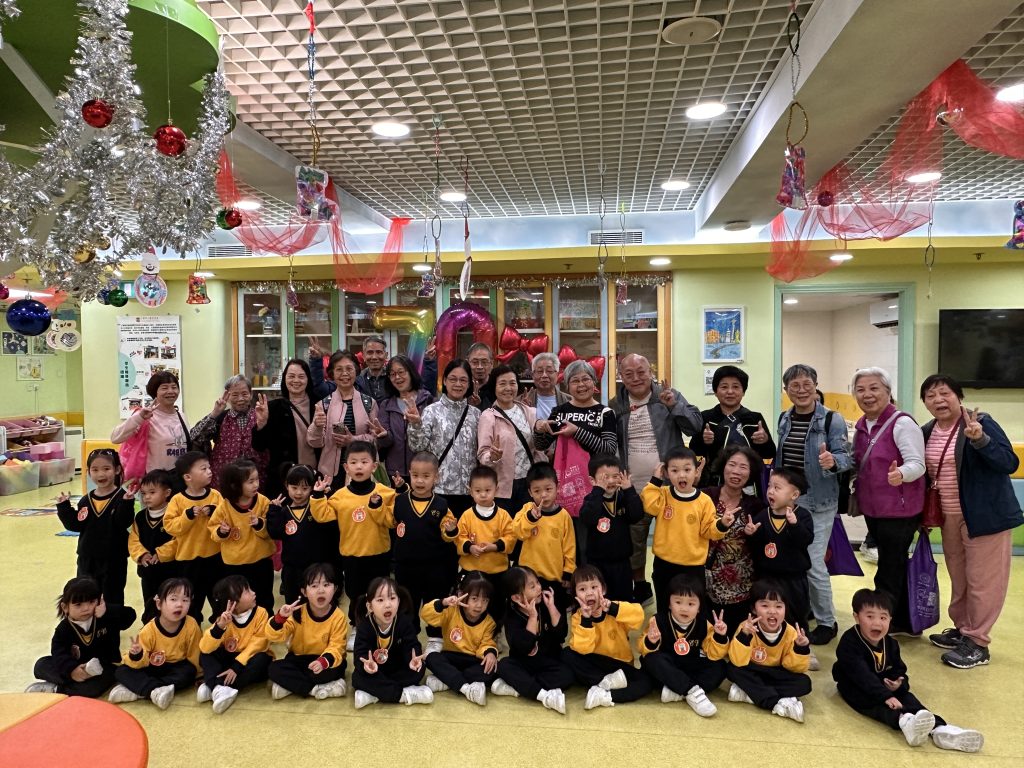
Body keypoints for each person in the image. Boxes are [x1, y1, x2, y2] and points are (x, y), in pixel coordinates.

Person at [920, 374, 1022, 669]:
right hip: (949, 516)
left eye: (945, 393)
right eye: (931, 395)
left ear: (959, 396)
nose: (938, 400)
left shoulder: (982, 423)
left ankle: (978, 642)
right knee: (960, 578)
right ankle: (963, 629)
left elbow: (1009, 463)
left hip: (984, 516)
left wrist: (980, 440)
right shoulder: (927, 430)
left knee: (983, 582)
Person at [832, 589, 984, 752]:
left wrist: (898, 684)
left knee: (907, 697)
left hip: (881, 685)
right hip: (854, 684)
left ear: (890, 619)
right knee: (873, 703)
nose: (877, 623)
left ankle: (940, 729)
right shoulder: (849, 642)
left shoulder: (890, 644)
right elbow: (861, 675)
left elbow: (900, 669)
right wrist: (886, 696)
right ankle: (905, 721)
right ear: (856, 617)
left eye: (883, 617)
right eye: (870, 617)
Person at [608, 353, 701, 606]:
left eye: (641, 372)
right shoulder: (615, 405)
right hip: (633, 488)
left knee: (675, 538)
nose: (636, 378)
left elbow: (694, 427)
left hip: (670, 487)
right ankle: (641, 586)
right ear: (621, 376)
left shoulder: (667, 396)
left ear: (651, 372)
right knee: (634, 541)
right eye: (629, 374)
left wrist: (674, 406)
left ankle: (678, 592)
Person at [776, 363, 851, 646]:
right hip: (791, 501)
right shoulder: (785, 418)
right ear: (787, 390)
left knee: (812, 562)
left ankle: (827, 621)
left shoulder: (832, 419)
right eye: (794, 386)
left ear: (816, 386)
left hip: (819, 501)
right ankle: (805, 607)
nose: (801, 390)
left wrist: (833, 461)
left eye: (807, 384)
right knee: (795, 559)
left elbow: (846, 457)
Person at [851, 367, 926, 635]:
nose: (867, 395)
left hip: (900, 510)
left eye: (874, 388)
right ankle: (904, 621)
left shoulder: (902, 423)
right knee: (891, 562)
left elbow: (918, 464)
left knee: (889, 567)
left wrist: (901, 474)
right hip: (874, 509)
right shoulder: (862, 425)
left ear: (888, 391)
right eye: (860, 390)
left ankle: (885, 621)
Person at [534, 359, 618, 563]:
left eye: (585, 379)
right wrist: (539, 428)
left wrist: (577, 432)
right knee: (566, 541)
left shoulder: (605, 413)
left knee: (591, 544)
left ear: (594, 382)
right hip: (565, 487)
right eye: (575, 381)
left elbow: (609, 449)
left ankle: (590, 580)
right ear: (566, 385)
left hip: (597, 488)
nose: (581, 385)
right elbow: (541, 445)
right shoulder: (560, 411)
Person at [310, 441, 397, 629]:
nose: (359, 467)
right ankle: (357, 627)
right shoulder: (339, 496)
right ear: (346, 467)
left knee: (379, 593)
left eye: (364, 462)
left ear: (374, 466)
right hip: (351, 555)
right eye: (354, 462)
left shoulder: (386, 493)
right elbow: (322, 515)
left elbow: (392, 522)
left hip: (379, 553)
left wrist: (376, 507)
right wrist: (317, 495)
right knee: (355, 593)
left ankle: (381, 625)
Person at [640, 448, 734, 613]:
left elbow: (709, 530)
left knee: (692, 607)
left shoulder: (704, 501)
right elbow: (649, 506)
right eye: (675, 470)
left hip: (693, 566)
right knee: (664, 605)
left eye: (687, 470)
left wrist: (722, 524)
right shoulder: (663, 494)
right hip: (664, 563)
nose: (681, 475)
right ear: (666, 473)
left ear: (696, 472)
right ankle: (664, 628)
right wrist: (655, 480)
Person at [389, 452, 457, 654]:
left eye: (426, 476)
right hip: (405, 565)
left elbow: (448, 535)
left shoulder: (442, 505)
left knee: (434, 601)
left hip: (434, 566)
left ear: (436, 477)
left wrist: (451, 530)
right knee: (407, 603)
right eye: (416, 475)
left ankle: (435, 637)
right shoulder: (399, 501)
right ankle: (409, 637)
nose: (420, 481)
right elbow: (388, 521)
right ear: (409, 474)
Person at [26, 577, 136, 697]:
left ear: (99, 601)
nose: (86, 608)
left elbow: (130, 616)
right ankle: (74, 682)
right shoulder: (64, 629)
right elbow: (59, 652)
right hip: (74, 665)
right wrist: (72, 670)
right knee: (41, 665)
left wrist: (107, 611)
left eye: (91, 602)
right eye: (78, 605)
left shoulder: (104, 618)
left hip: (102, 668)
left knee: (99, 684)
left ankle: (56, 689)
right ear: (65, 607)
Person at [638, 575, 729, 717]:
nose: (684, 608)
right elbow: (642, 649)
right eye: (678, 602)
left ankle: (679, 691)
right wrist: (651, 640)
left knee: (721, 666)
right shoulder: (658, 620)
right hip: (668, 668)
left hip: (690, 666)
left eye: (691, 604)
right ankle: (692, 691)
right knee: (651, 659)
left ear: (699, 607)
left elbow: (713, 654)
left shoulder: (704, 624)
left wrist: (720, 636)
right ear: (669, 603)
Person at [563, 565, 651, 709]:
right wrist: (586, 620)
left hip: (620, 664)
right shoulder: (578, 617)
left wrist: (613, 609)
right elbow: (582, 649)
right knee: (567, 654)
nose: (589, 593)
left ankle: (605, 695)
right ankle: (603, 682)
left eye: (594, 587)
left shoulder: (614, 607)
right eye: (582, 589)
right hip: (596, 664)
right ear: (576, 595)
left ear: (603, 589)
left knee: (646, 682)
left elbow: (639, 616)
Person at [56, 448, 135, 606]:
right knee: (86, 595)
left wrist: (127, 503)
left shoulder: (122, 497)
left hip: (114, 559)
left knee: (112, 596)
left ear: (117, 470)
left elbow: (123, 522)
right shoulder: (86, 500)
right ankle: (89, 621)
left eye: (106, 469)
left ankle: (111, 622)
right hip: (87, 558)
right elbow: (75, 525)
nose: (101, 474)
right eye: (95, 470)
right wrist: (64, 507)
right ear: (88, 472)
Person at [725, 579, 811, 723]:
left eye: (779, 606)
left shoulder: (791, 633)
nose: (772, 611)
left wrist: (800, 648)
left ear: (785, 608)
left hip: (777, 673)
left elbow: (795, 668)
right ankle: (777, 702)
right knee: (731, 669)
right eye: (765, 605)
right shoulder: (746, 627)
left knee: (804, 683)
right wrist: (744, 636)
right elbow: (737, 661)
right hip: (752, 670)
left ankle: (750, 693)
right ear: (754, 609)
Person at [108, 577, 201, 710]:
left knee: (188, 672)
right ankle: (155, 691)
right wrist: (137, 654)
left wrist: (200, 676)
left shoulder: (191, 625)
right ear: (159, 604)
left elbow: (195, 654)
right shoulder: (149, 629)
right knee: (121, 671)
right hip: (151, 667)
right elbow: (139, 662)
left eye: (185, 600)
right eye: (173, 599)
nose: (180, 604)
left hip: (176, 667)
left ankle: (139, 691)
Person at [492, 566, 573, 714]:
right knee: (504, 665)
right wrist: (533, 617)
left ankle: (519, 687)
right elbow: (526, 647)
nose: (539, 588)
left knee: (568, 674)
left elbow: (561, 635)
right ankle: (543, 695)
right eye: (532, 586)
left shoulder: (544, 604)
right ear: (516, 598)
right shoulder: (512, 617)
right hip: (524, 663)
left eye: (538, 582)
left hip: (548, 661)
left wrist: (551, 607)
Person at [744, 468, 815, 632]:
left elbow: (805, 540)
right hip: (766, 577)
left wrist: (795, 525)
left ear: (794, 495)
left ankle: (798, 643)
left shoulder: (802, 516)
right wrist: (751, 534)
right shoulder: (763, 515)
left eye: (777, 488)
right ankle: (766, 643)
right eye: (769, 486)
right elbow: (756, 546)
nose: (770, 491)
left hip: (793, 579)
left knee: (796, 616)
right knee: (765, 617)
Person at [406, 359, 480, 515]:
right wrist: (415, 425)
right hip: (438, 489)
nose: (458, 384)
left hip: (469, 491)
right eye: (453, 379)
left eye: (463, 380)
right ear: (445, 381)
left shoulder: (476, 414)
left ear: (469, 384)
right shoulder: (431, 411)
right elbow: (417, 447)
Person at [266, 563, 349, 700]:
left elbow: (337, 647)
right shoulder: (297, 612)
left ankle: (292, 686)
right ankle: (315, 689)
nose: (321, 590)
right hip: (299, 659)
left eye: (326, 585)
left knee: (338, 668)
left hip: (324, 661)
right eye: (314, 586)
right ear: (304, 592)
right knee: (274, 668)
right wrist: (280, 618)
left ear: (335, 589)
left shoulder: (338, 616)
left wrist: (323, 662)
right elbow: (276, 637)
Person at [443, 465, 514, 623]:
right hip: (471, 571)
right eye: (478, 491)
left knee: (496, 606)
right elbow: (459, 538)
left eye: (488, 490)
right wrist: (470, 547)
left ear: (496, 489)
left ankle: (494, 633)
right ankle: (467, 630)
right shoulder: (467, 516)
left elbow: (511, 537)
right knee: (469, 604)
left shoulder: (503, 516)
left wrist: (495, 546)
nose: (483, 494)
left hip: (497, 572)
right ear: (471, 491)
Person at [704, 446, 764, 633]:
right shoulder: (705, 496)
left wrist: (753, 535)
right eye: (732, 464)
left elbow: (760, 544)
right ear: (723, 466)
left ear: (751, 473)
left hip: (742, 582)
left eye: (743, 467)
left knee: (738, 633)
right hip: (707, 579)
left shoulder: (755, 505)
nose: (736, 471)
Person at [307, 350, 385, 490]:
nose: (344, 374)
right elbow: (315, 442)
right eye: (339, 369)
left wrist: (353, 440)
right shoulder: (323, 404)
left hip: (363, 470)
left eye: (349, 369)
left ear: (356, 371)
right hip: (331, 475)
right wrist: (317, 426)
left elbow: (376, 439)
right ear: (332, 373)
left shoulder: (369, 403)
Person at [351, 577, 433, 709]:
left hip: (398, 669)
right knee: (357, 677)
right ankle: (404, 695)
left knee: (419, 670)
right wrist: (365, 665)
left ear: (398, 601)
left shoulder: (404, 622)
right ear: (370, 606)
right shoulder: (364, 627)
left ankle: (374, 695)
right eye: (380, 600)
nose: (388, 604)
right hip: (376, 671)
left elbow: (412, 646)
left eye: (392, 598)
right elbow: (359, 655)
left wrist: (413, 660)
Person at [197, 575, 272, 714]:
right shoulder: (224, 618)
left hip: (248, 660)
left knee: (262, 659)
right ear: (233, 603)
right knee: (206, 654)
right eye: (247, 591)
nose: (253, 593)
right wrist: (220, 627)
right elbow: (205, 647)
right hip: (230, 661)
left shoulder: (261, 613)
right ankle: (218, 688)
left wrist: (237, 666)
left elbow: (259, 643)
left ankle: (215, 684)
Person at [691, 365, 776, 488]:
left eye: (736, 387)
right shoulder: (705, 417)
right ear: (715, 391)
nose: (730, 391)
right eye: (724, 387)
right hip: (713, 486)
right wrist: (703, 441)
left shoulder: (754, 418)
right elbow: (694, 452)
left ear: (743, 391)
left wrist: (765, 441)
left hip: (749, 486)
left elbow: (770, 454)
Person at [421, 572, 499, 706]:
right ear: (461, 595)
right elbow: (426, 615)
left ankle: (447, 681)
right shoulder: (451, 610)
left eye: (485, 600)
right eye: (474, 598)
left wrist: (490, 653)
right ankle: (466, 688)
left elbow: (486, 643)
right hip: (450, 657)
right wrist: (443, 602)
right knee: (431, 657)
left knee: (493, 668)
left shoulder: (489, 622)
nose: (479, 605)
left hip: (472, 661)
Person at [163, 451, 224, 622]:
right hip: (188, 561)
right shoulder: (177, 500)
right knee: (191, 603)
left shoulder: (215, 495)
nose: (209, 471)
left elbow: (225, 519)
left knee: (219, 600)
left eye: (209, 467)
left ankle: (220, 631)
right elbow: (170, 527)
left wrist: (214, 512)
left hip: (214, 558)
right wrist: (187, 516)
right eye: (203, 469)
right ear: (188, 477)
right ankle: (191, 631)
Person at [265, 464, 339, 604]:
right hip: (292, 570)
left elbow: (331, 527)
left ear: (311, 488)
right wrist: (273, 512)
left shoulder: (316, 508)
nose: (299, 493)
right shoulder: (283, 512)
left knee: (320, 606)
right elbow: (275, 533)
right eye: (294, 488)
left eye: (304, 488)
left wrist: (326, 494)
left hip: (317, 568)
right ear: (286, 486)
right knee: (294, 606)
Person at [209, 459, 275, 612]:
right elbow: (213, 529)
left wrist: (259, 523)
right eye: (250, 481)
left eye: (257, 479)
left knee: (264, 599)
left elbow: (270, 530)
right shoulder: (224, 507)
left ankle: (266, 624)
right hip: (235, 564)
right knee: (238, 601)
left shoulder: (263, 501)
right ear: (234, 485)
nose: (256, 484)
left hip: (261, 561)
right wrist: (222, 531)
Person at [478, 364, 545, 510]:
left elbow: (540, 448)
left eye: (512, 383)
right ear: (494, 387)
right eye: (502, 384)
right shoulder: (488, 416)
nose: (508, 388)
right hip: (502, 488)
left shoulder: (530, 412)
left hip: (530, 484)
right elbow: (482, 454)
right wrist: (492, 456)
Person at [578, 455, 644, 602]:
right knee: (600, 601)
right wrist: (598, 491)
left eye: (615, 476)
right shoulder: (591, 500)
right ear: (592, 480)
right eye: (604, 477)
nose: (611, 481)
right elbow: (587, 518)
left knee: (623, 601)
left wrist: (629, 490)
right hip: (597, 564)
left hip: (622, 562)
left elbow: (637, 515)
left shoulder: (624, 497)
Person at [252, 359, 321, 499]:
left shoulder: (319, 405)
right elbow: (259, 446)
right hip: (283, 481)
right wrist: (261, 423)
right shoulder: (273, 407)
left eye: (301, 376)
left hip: (313, 478)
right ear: (284, 379)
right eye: (291, 376)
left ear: (308, 379)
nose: (296, 380)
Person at [511, 462, 576, 609]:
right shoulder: (527, 509)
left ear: (557, 487)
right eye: (537, 491)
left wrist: (568, 572)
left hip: (554, 576)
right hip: (528, 577)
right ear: (530, 492)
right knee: (530, 613)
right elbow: (517, 532)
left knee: (553, 613)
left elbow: (570, 547)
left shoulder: (564, 516)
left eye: (548, 489)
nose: (543, 495)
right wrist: (530, 519)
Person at [189, 375, 269, 491]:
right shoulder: (220, 418)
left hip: (255, 483)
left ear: (251, 394)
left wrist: (262, 424)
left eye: (244, 394)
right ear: (227, 396)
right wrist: (214, 413)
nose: (240, 399)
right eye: (235, 395)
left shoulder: (261, 416)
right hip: (222, 483)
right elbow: (195, 436)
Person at [111, 371, 190, 473]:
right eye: (164, 388)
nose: (171, 391)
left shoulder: (181, 416)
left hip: (180, 476)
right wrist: (139, 418)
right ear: (154, 392)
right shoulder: (145, 416)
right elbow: (115, 438)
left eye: (174, 387)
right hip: (156, 479)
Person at [127, 469, 179, 623]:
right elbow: (133, 539)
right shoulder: (140, 517)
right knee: (150, 603)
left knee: (171, 603)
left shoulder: (174, 515)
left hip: (171, 571)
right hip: (148, 571)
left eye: (152, 492)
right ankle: (150, 629)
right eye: (143, 493)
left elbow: (180, 540)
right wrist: (142, 554)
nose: (147, 497)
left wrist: (161, 553)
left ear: (167, 493)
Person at [376, 354, 434, 482]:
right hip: (395, 472)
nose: (397, 377)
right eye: (392, 374)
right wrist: (383, 436)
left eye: (401, 372)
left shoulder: (427, 400)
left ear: (411, 372)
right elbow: (386, 443)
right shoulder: (387, 405)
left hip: (423, 470)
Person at [521, 352, 568, 422]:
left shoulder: (569, 401)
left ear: (557, 375)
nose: (544, 375)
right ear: (533, 375)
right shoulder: (521, 401)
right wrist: (521, 410)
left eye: (549, 371)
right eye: (540, 371)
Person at [466, 342, 495, 409]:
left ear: (491, 364)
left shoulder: (497, 388)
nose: (480, 367)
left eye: (484, 362)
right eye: (475, 362)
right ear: (467, 363)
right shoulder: (461, 387)